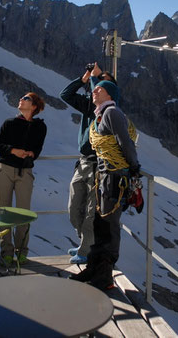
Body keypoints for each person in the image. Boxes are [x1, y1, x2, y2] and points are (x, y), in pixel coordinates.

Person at [69, 79, 140, 290]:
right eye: (95, 87)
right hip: (105, 176)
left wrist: (134, 166)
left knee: (108, 226)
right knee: (100, 224)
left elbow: (125, 141)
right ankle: (94, 268)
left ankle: (105, 277)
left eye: (100, 88)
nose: (94, 90)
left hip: (115, 177)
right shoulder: (101, 115)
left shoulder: (112, 113)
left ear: (110, 95)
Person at [59, 63, 117, 264]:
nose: (98, 87)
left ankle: (86, 251)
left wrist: (95, 78)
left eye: (104, 83)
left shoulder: (109, 110)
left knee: (92, 212)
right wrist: (83, 79)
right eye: (97, 83)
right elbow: (65, 95)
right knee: (74, 210)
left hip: (98, 166)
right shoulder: (89, 104)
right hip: (83, 163)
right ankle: (86, 242)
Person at [0, 92, 47, 266]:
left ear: (34, 106)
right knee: (4, 213)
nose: (21, 100)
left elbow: (38, 149)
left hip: (25, 172)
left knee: (24, 214)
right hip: (5, 170)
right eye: (22, 97)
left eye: (26, 99)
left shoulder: (40, 127)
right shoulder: (9, 123)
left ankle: (22, 252)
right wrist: (12, 150)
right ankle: (6, 253)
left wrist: (32, 154)